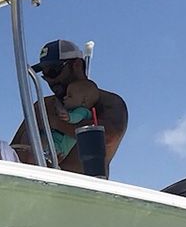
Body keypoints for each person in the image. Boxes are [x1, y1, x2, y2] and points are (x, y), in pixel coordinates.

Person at [12, 39, 127, 171]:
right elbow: (14, 148)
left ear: (77, 65)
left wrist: (54, 122)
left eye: (53, 71)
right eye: (45, 75)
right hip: (36, 185)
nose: (51, 80)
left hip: (82, 188)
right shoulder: (43, 105)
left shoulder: (108, 102)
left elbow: (106, 137)